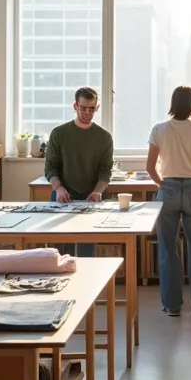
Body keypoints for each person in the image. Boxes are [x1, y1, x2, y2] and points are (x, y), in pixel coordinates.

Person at [145, 86, 191, 317]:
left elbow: (149, 167)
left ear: (173, 103)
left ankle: (172, 305)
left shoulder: (159, 129)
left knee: (168, 249)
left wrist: (163, 185)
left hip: (167, 190)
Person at [43, 86, 114, 257]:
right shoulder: (59, 133)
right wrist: (58, 188)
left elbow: (105, 170)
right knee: (59, 253)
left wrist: (98, 191)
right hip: (63, 196)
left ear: (96, 108)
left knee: (86, 252)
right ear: (75, 106)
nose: (87, 112)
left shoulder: (104, 137)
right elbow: (50, 167)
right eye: (83, 108)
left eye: (91, 108)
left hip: (90, 198)